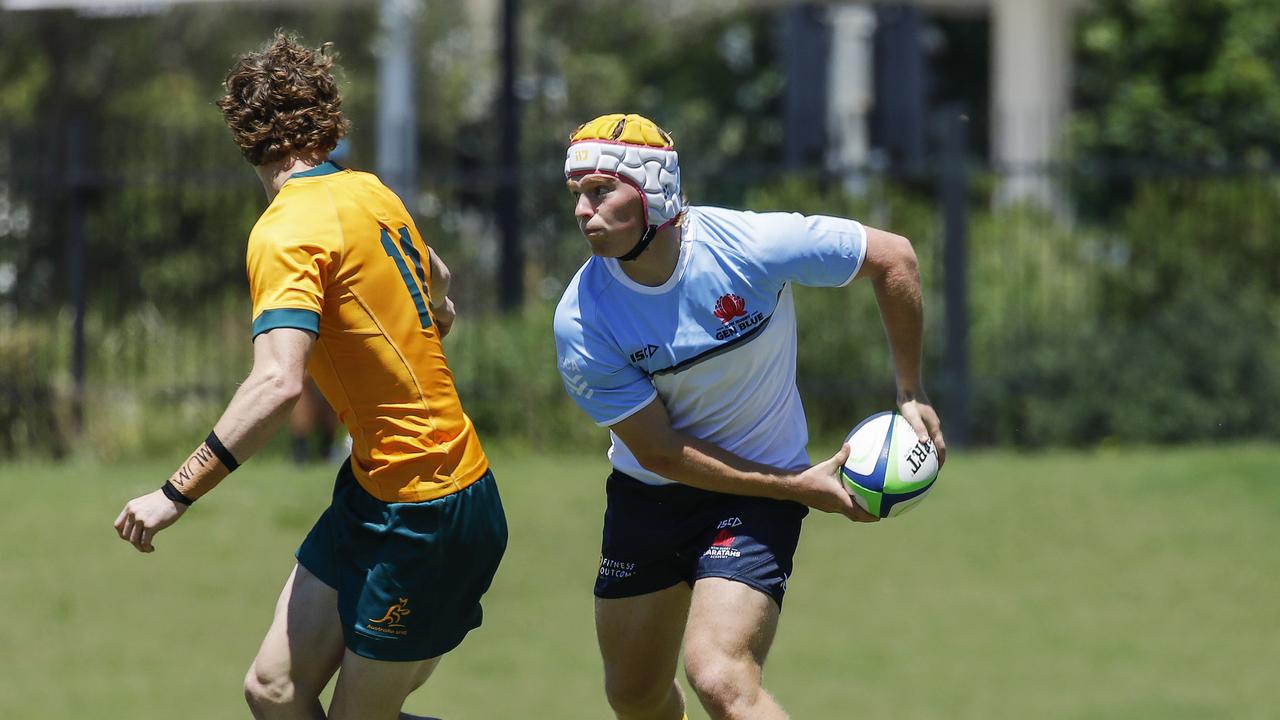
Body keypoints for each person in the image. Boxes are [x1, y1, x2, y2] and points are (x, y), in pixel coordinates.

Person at [113, 33, 507, 720]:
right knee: (272, 689)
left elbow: (277, 383)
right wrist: (436, 312)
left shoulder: (284, 231)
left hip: (431, 509)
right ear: (328, 118)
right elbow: (439, 280)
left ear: (243, 134)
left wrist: (174, 493)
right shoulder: (368, 191)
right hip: (373, 492)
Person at [554, 113, 945, 720]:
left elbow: (893, 257)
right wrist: (799, 487)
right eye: (577, 194)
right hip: (651, 493)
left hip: (757, 495)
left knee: (719, 676)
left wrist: (911, 389)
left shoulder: (748, 247)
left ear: (652, 191)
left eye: (601, 190)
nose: (583, 211)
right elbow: (659, 452)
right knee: (633, 696)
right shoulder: (583, 320)